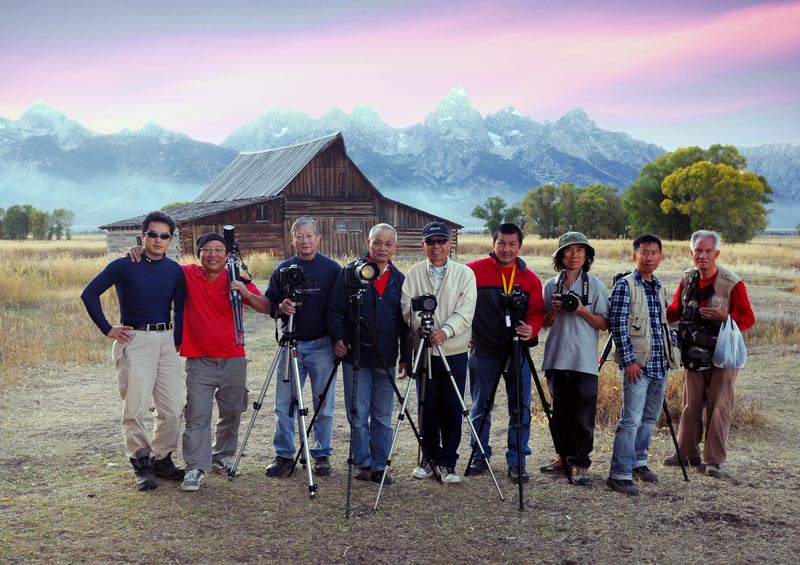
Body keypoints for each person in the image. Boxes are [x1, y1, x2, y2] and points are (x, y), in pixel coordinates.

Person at [130, 232, 271, 491]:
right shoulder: (187, 274)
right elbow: (159, 263)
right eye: (207, 249)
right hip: (199, 361)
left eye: (219, 249)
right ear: (199, 255)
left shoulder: (236, 277)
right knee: (197, 416)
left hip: (234, 358)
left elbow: (266, 307)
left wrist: (245, 293)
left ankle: (223, 456)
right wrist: (137, 251)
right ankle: (195, 466)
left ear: (226, 254)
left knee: (231, 413)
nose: (213, 254)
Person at [81, 211, 186, 491]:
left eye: (164, 235)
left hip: (166, 341)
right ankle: (142, 463)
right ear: (143, 236)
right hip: (135, 340)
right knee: (135, 408)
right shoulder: (124, 265)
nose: (158, 240)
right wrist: (108, 329)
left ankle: (162, 458)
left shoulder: (175, 270)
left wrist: (176, 339)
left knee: (173, 409)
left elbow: (181, 306)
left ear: (171, 240)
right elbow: (89, 294)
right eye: (153, 234)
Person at [665, 230, 755, 477]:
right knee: (690, 405)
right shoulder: (688, 279)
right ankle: (687, 454)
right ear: (691, 252)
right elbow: (675, 310)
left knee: (719, 406)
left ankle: (714, 461)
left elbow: (748, 318)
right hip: (693, 354)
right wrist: (655, 313)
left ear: (717, 253)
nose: (702, 256)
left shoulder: (731, 282)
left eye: (707, 251)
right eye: (698, 251)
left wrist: (725, 317)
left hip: (723, 355)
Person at [327, 223, 408, 485]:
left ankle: (380, 465)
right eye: (377, 242)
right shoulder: (351, 273)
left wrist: (405, 356)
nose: (382, 248)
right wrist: (338, 339)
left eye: (388, 244)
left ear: (395, 248)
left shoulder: (399, 279)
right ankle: (362, 463)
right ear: (368, 243)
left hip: (386, 358)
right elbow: (334, 310)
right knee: (358, 413)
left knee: (383, 415)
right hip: (356, 357)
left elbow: (404, 323)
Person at [466, 223, 544, 483]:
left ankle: (518, 460)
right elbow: (460, 304)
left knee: (520, 408)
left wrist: (531, 329)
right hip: (484, 350)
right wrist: (465, 332)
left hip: (517, 351)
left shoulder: (530, 278)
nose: (506, 249)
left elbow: (537, 311)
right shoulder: (473, 271)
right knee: (481, 406)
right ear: (493, 243)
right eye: (501, 243)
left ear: (520, 247)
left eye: (512, 244)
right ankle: (479, 454)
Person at [264, 217, 342, 478]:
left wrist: (339, 339)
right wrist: (280, 308)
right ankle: (284, 455)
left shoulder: (332, 269)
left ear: (319, 238)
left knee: (324, 404)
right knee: (284, 403)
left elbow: (339, 308)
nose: (305, 241)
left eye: (310, 236)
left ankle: (321, 454)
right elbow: (269, 305)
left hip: (322, 345)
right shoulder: (283, 269)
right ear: (292, 238)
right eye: (300, 236)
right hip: (291, 342)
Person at [401, 221, 476, 484]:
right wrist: (423, 327)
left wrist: (446, 331)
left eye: (441, 241)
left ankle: (449, 461)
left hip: (453, 350)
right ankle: (430, 458)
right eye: (431, 242)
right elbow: (407, 307)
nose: (436, 246)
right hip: (424, 352)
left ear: (449, 244)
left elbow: (466, 311)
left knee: (452, 406)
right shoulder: (413, 273)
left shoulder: (465, 274)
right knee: (426, 406)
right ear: (423, 245)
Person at [607, 234, 678, 496]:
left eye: (654, 253)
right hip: (638, 366)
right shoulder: (625, 285)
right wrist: (629, 361)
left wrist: (673, 350)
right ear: (634, 255)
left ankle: (638, 462)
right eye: (644, 252)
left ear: (660, 257)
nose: (649, 258)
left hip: (660, 364)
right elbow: (618, 325)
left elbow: (662, 325)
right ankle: (619, 473)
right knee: (631, 420)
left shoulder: (659, 286)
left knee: (649, 419)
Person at [539, 232, 609, 486]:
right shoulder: (550, 285)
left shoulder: (597, 286)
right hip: (557, 358)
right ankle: (563, 458)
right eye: (569, 251)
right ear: (560, 256)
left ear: (587, 256)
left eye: (580, 251)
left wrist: (580, 310)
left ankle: (580, 463)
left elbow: (603, 323)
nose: (574, 255)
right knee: (560, 414)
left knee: (582, 416)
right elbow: (543, 324)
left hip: (584, 360)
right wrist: (554, 310)